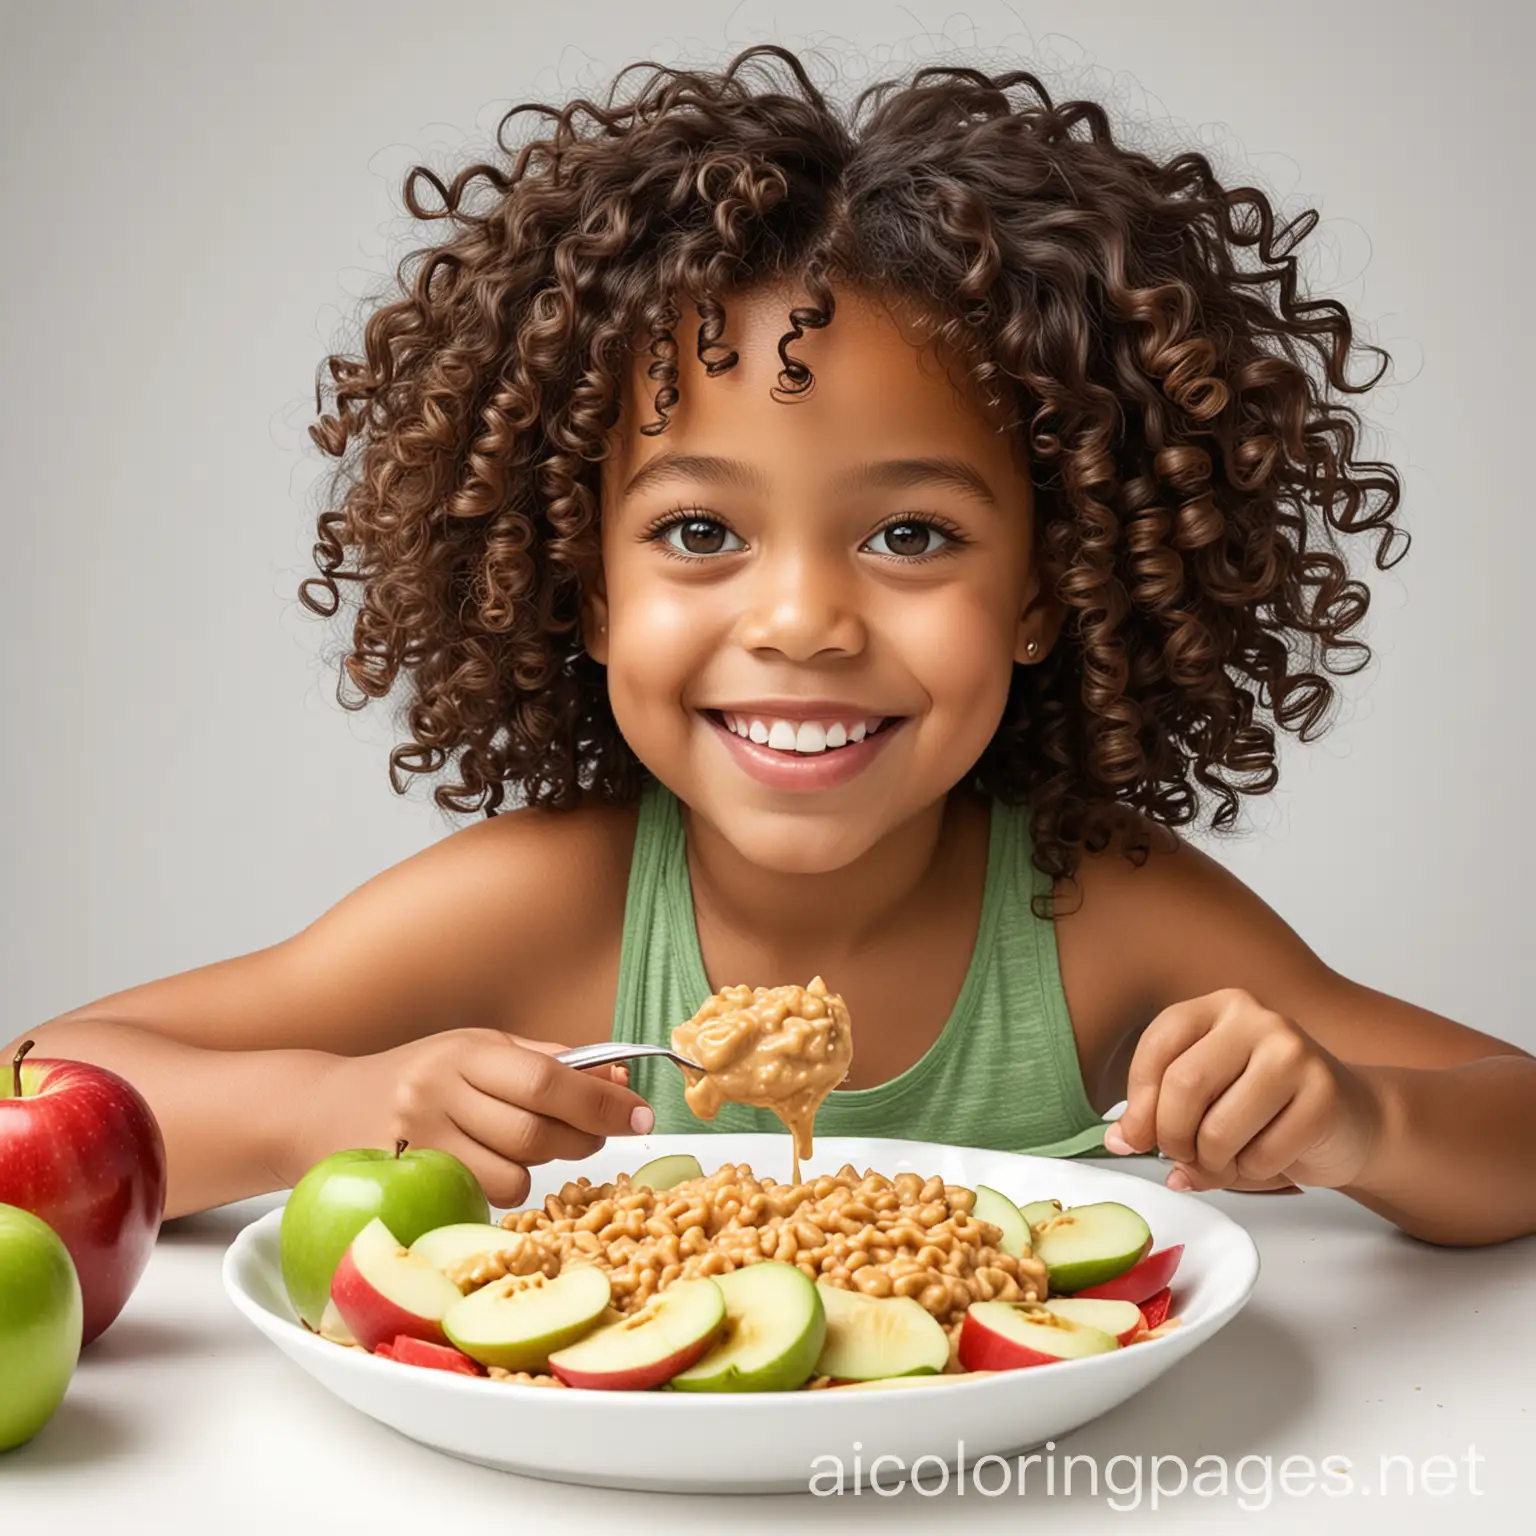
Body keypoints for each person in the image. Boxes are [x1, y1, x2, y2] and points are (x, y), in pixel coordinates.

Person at [14, 45, 1533, 1244]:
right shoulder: (549, 909)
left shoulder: (1098, 917)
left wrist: (1357, 1125)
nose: (803, 619)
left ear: (1048, 588)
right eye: (697, 534)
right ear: (587, 585)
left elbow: (1513, 1117)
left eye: (912, 536)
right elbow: (56, 1080)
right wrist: (333, 1103)